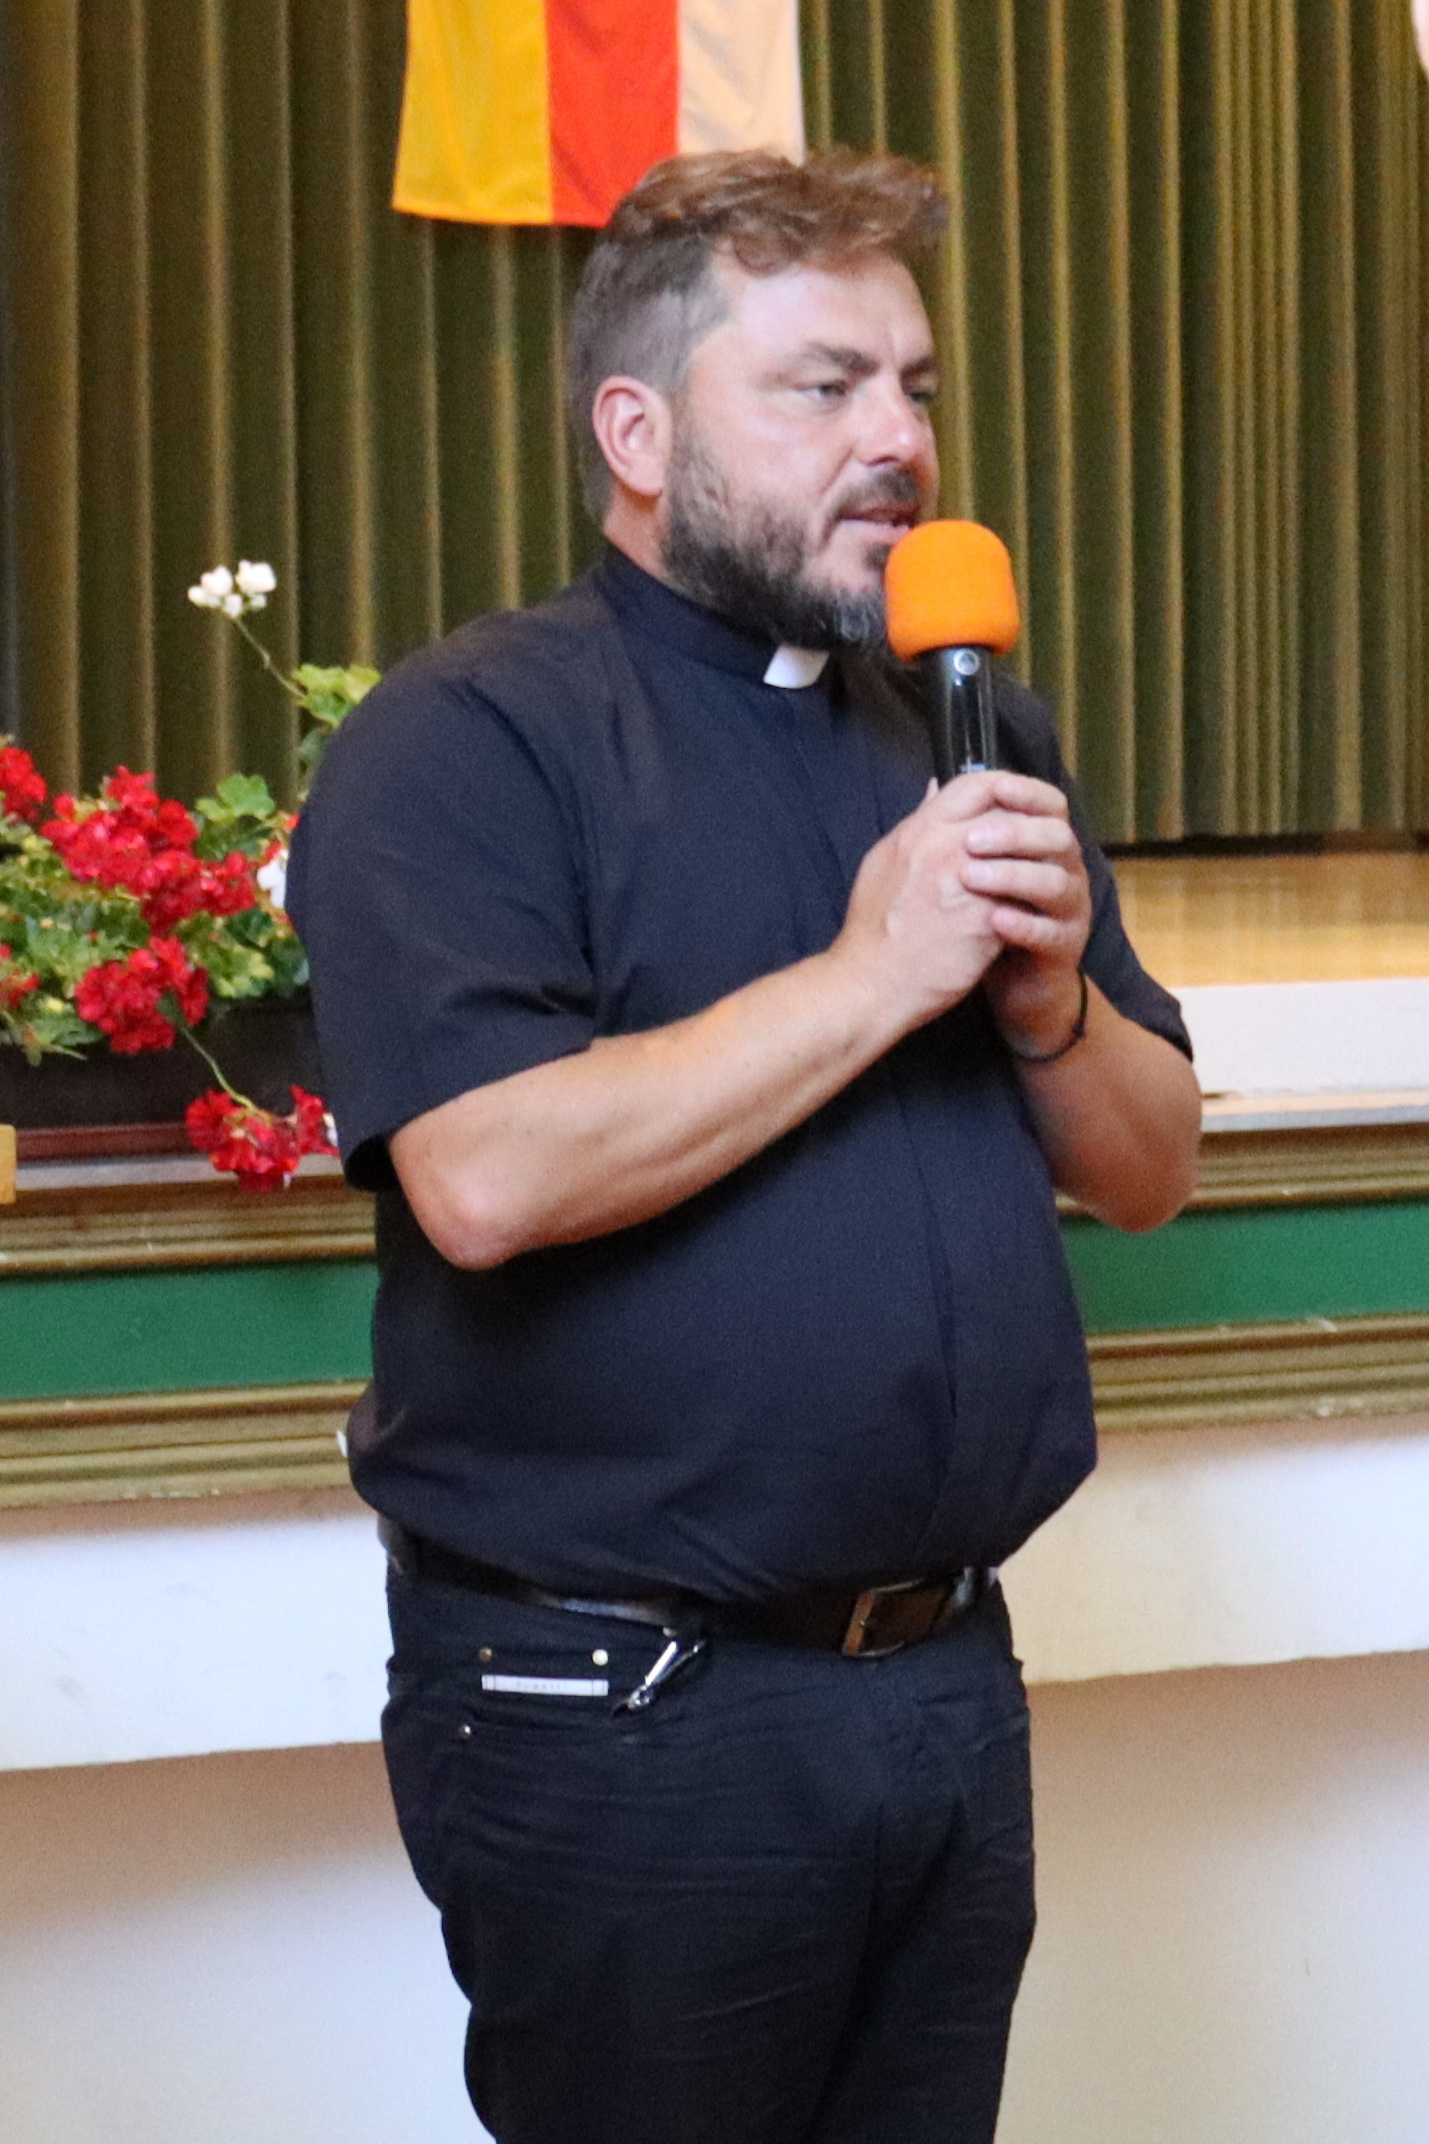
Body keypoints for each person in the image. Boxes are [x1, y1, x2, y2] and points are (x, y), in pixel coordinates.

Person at [288, 148, 1200, 2144]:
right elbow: (485, 1176)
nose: (900, 443)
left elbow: (1149, 1170)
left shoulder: (974, 736)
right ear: (636, 434)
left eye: (916, 386)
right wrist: (880, 972)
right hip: (625, 1704)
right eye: (823, 386)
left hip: (943, 1681)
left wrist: (1044, 1002)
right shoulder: (468, 739)